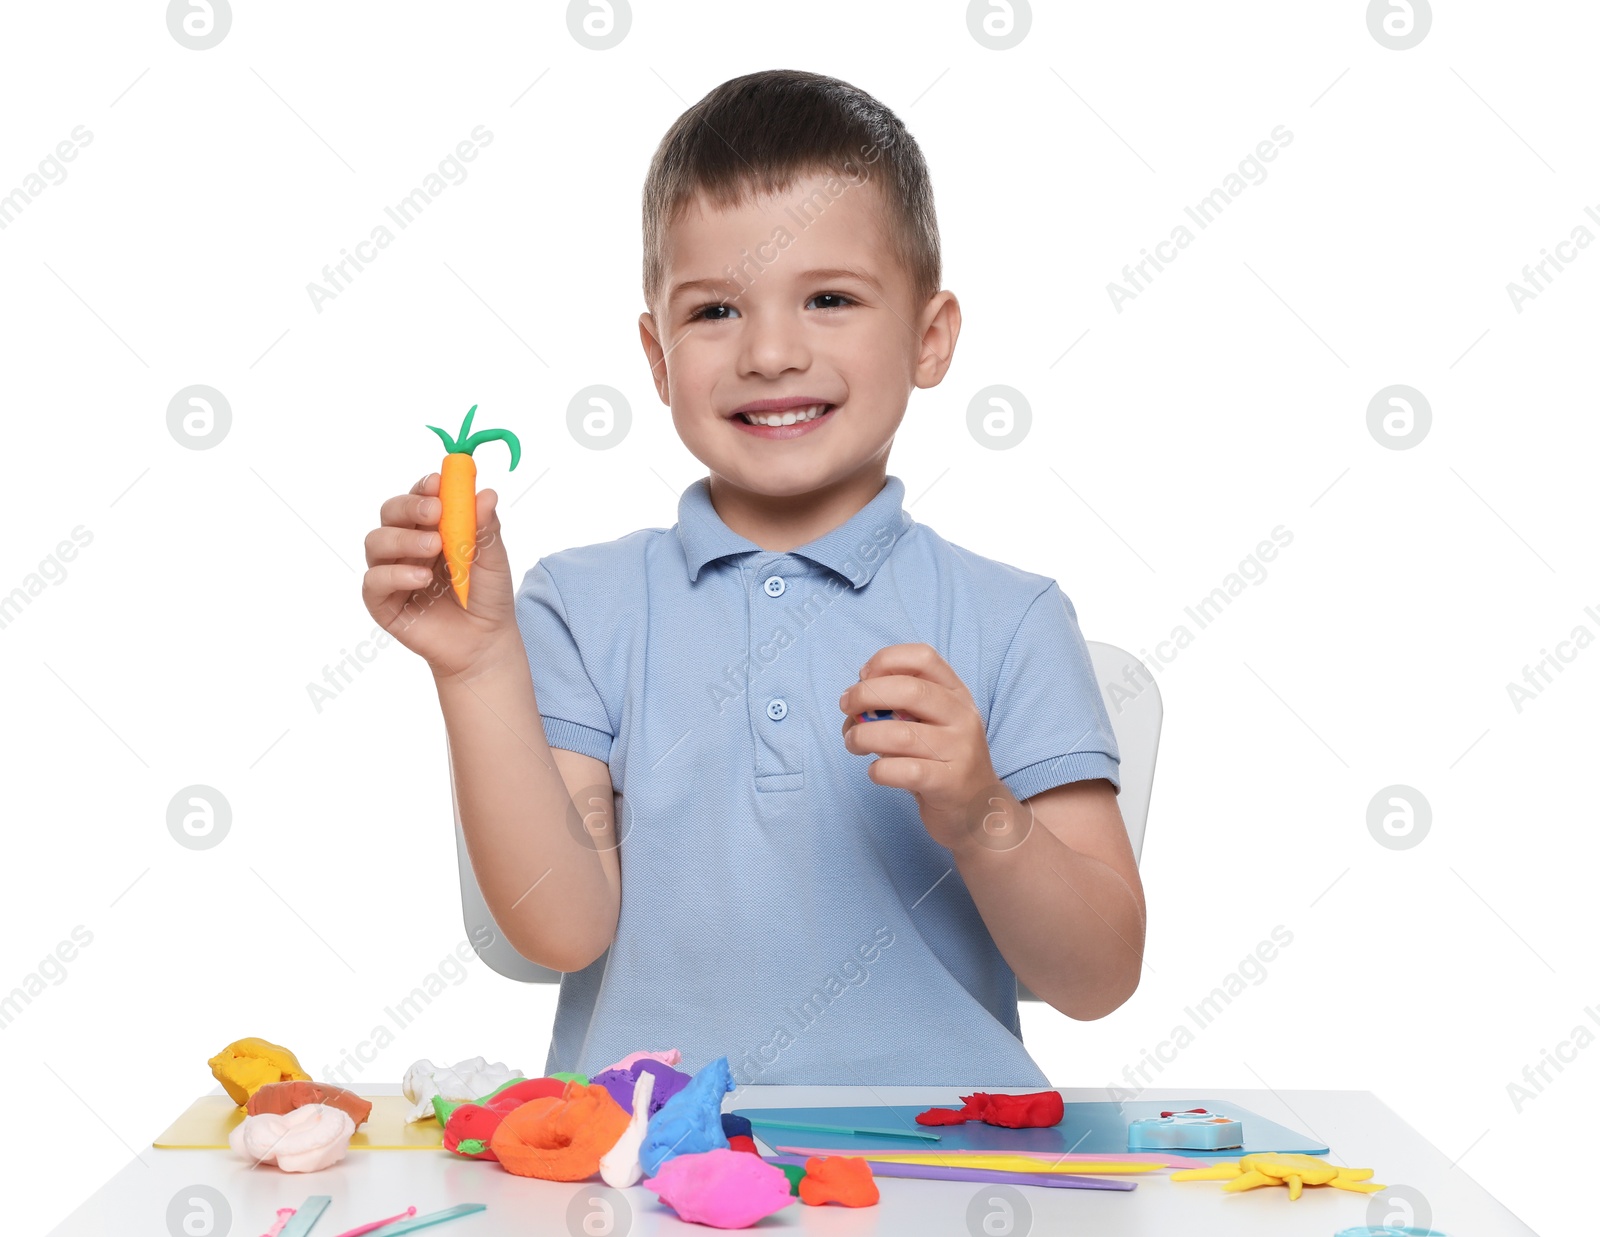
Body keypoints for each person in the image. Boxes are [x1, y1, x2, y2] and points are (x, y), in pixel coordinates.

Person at [362, 69, 1145, 1086]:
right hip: (647, 1169)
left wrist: (981, 811)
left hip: (951, 1171)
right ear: (656, 354)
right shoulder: (576, 607)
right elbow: (560, 928)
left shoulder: (1011, 617)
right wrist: (474, 670)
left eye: (828, 298)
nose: (771, 352)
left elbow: (1097, 977)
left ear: (929, 337)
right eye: (715, 311)